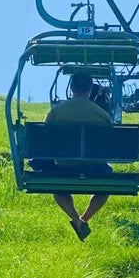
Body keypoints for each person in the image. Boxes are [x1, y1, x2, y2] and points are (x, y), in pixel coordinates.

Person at [40, 71, 113, 240]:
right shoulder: (101, 114)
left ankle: (76, 218)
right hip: (95, 168)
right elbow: (110, 142)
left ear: (71, 88)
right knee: (106, 188)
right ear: (90, 89)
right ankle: (84, 219)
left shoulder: (57, 111)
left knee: (59, 190)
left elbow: (44, 138)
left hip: (65, 166)